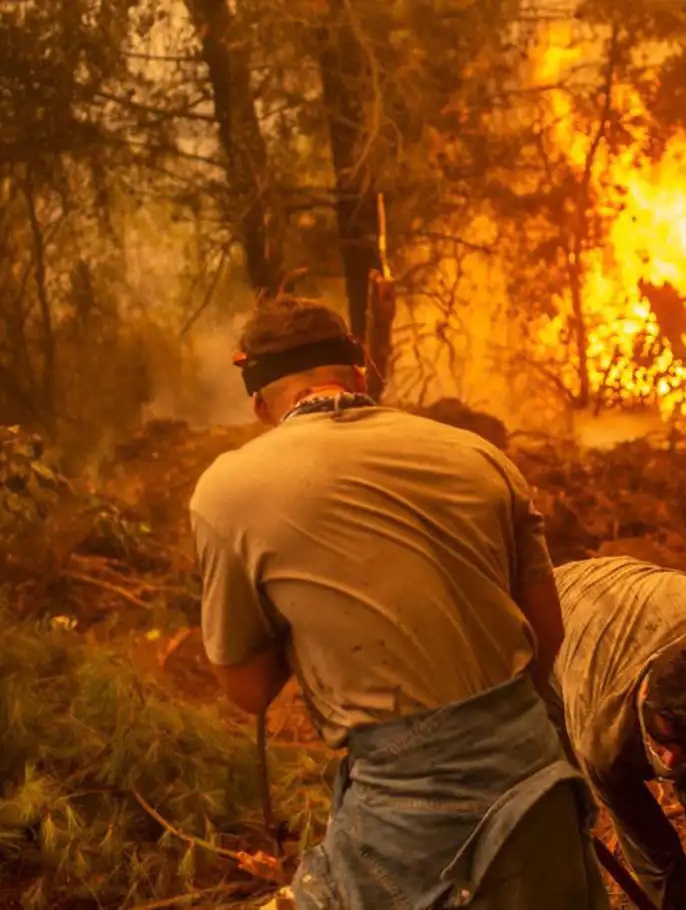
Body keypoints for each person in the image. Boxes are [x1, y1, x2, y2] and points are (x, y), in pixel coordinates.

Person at [190, 296, 608, 909]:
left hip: (404, 817)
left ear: (257, 402)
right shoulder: (479, 457)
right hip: (534, 780)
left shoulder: (227, 492)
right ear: (362, 372)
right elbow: (546, 632)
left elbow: (248, 690)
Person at [547, 555, 686, 910]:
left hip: (665, 606)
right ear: (644, 696)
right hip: (549, 616)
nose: (669, 759)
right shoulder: (600, 735)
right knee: (562, 794)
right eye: (663, 741)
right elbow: (653, 852)